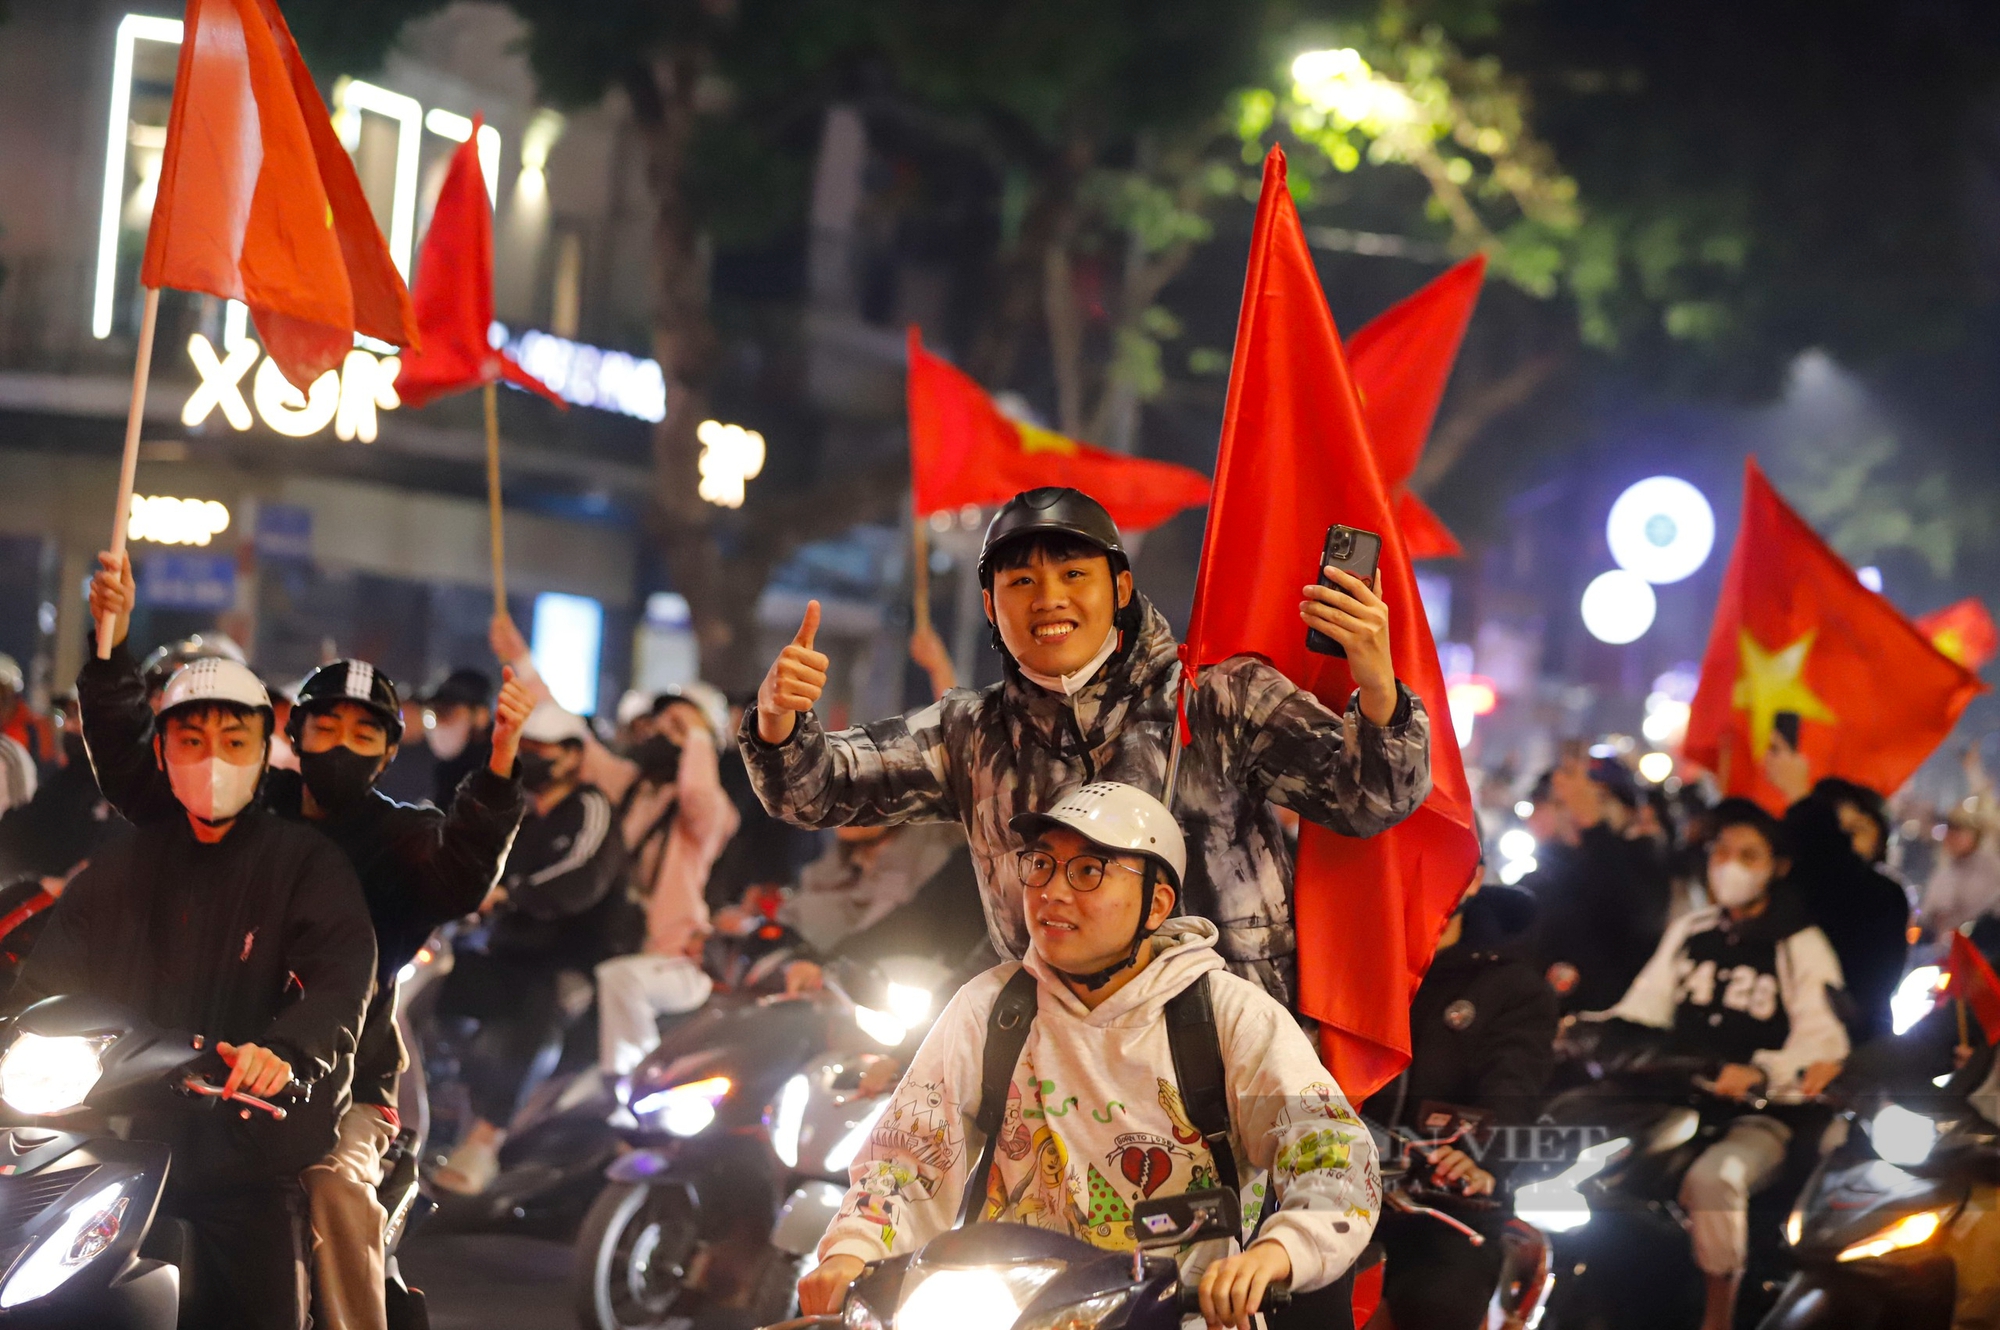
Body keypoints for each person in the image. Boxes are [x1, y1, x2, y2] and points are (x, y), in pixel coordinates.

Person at [742, 486, 1431, 1010]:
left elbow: (1372, 801)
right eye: (1020, 581)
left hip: (1225, 1068)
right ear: (990, 606)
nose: (1048, 598)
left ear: (1121, 587)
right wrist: (778, 721)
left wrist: (1376, 682)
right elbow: (817, 788)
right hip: (1054, 1083)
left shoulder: (1220, 700)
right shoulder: (971, 731)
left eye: (1074, 574)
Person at [82, 551, 534, 1330]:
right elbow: (140, 783)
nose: (343, 743)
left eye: (365, 733)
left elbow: (460, 875)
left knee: (333, 1191)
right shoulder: (255, 803)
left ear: (391, 752)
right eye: (327, 725)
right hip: (199, 1049)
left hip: (339, 1070)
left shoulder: (405, 836)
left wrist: (497, 766)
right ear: (291, 730)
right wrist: (109, 647)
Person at [796, 782, 1380, 1328]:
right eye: (1042, 865)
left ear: (1157, 905)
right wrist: (854, 1249)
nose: (1052, 890)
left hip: (1181, 1314)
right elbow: (908, 1161)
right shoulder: (989, 1009)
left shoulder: (1230, 1015)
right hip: (1005, 1309)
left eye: (1088, 871)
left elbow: (1331, 1153)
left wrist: (1280, 1250)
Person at [10, 656, 377, 1330]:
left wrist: (286, 1051)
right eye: (191, 741)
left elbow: (341, 975)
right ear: (162, 750)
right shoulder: (119, 866)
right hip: (119, 1130)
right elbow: (47, 979)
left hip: (244, 1154)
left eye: (234, 742)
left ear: (265, 750)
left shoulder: (304, 864)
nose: (213, 760)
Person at [1586, 798, 1849, 1330]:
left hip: (1759, 1116)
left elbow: (1823, 1042)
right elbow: (1643, 1007)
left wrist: (1759, 1072)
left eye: (1748, 855)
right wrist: (1585, 1029)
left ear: (1778, 867)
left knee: (1713, 1181)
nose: (1729, 864)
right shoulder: (1692, 930)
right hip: (1673, 1103)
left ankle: (1718, 1314)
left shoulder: (1798, 943)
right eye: (1722, 851)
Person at [432, 701, 626, 1194]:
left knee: (531, 1015)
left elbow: (582, 876)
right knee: (439, 1001)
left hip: (573, 957)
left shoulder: (590, 807)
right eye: (527, 749)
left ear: (572, 756)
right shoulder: (519, 809)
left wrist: (512, 894)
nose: (533, 759)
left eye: (543, 750)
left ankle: (485, 1138)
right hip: (508, 948)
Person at [1361, 878, 1558, 1330]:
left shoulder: (1513, 985)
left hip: (1446, 1210)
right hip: (1334, 1192)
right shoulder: (1352, 961)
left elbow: (1515, 1087)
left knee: (1437, 1305)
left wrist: (1474, 1158)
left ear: (1473, 874)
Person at [1764, 743, 1910, 1042]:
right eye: (1836, 832)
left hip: (1856, 1048)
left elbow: (1842, 878)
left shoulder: (1885, 896)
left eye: (1855, 831)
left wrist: (1800, 797)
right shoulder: (1783, 892)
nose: (1843, 843)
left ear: (1881, 838)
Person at [1522, 751, 1671, 1012]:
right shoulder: (1544, 875)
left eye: (1599, 798)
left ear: (1629, 811)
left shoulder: (1645, 863)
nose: (1577, 810)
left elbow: (1634, 916)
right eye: (1565, 802)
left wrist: (1595, 828)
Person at [419, 667, 497, 808]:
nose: (442, 722)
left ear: (481, 715)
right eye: (437, 712)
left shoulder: (505, 765)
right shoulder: (445, 771)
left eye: (449, 712)